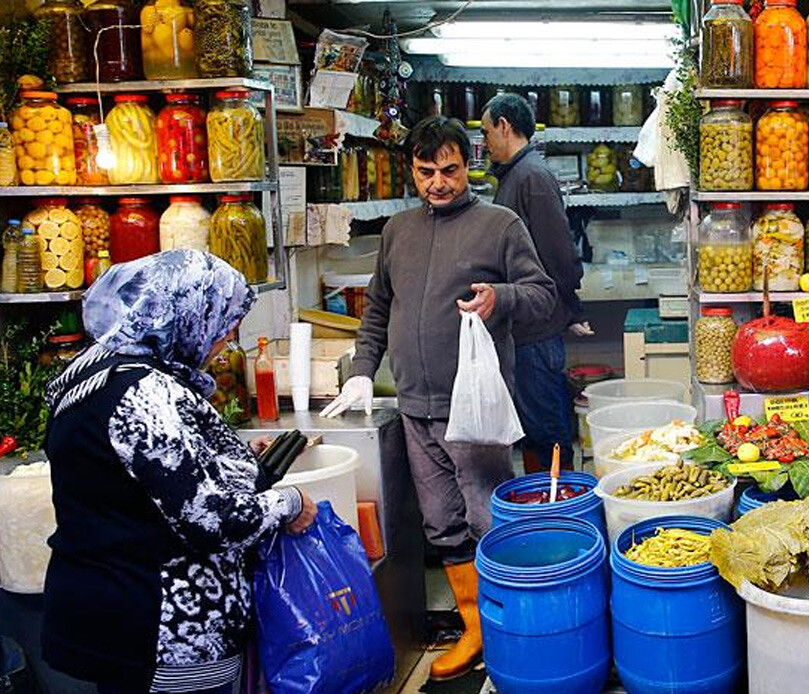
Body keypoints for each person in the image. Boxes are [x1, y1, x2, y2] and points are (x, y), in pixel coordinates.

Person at [320, 116, 556, 681]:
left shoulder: (499, 224)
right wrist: (360, 371)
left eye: (449, 170)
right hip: (413, 407)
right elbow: (377, 308)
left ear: (468, 163)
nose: (439, 183)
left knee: (486, 518)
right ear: (413, 171)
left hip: (473, 409)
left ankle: (511, 627)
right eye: (426, 172)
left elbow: (543, 296)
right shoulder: (398, 231)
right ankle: (475, 630)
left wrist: (499, 297)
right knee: (441, 525)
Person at [41, 250, 317, 694]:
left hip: (108, 609)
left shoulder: (93, 372)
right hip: (159, 623)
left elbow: (141, 475)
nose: (226, 340)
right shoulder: (143, 393)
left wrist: (233, 462)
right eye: (223, 326)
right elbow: (213, 520)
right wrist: (289, 503)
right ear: (184, 314)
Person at [482, 93, 589, 474]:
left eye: (487, 131)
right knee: (534, 427)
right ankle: (541, 503)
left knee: (547, 429)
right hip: (523, 326)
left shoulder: (532, 177)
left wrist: (571, 306)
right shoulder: (515, 175)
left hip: (537, 328)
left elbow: (558, 250)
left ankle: (560, 509)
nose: (485, 141)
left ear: (504, 127)